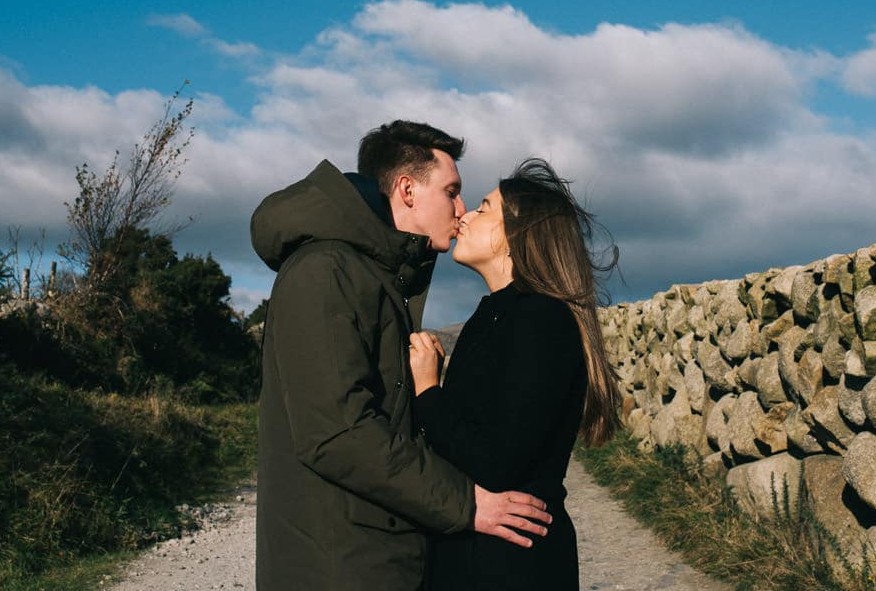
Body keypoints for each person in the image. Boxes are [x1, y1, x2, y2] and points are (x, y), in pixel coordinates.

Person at [251, 121, 553, 591]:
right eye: (451, 191)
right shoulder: (325, 272)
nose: (461, 208)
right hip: (340, 568)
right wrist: (467, 504)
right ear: (408, 189)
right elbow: (337, 433)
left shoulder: (377, 275)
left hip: (377, 557)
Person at [407, 158, 622, 591]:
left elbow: (497, 460)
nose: (465, 215)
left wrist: (429, 390)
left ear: (515, 236)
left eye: (485, 208)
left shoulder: (540, 320)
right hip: (487, 556)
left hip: (512, 563)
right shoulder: (498, 315)